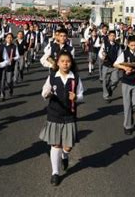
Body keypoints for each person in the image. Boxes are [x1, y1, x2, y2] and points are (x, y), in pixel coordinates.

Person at [39, 51, 84, 186]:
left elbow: (82, 95)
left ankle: (65, 155)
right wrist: (47, 94)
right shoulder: (52, 76)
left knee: (68, 146)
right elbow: (44, 93)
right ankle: (55, 173)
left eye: (68, 61)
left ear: (71, 63)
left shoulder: (75, 77)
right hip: (54, 114)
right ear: (57, 63)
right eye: (62, 61)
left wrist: (76, 97)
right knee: (55, 144)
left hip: (69, 115)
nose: (65, 63)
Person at [114, 35, 135, 135]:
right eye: (132, 45)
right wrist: (125, 68)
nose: (134, 47)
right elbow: (115, 64)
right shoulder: (125, 53)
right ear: (128, 45)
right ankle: (127, 126)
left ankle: (128, 116)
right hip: (126, 81)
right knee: (127, 105)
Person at [100, 30, 121, 102]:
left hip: (114, 66)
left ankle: (110, 89)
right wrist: (102, 56)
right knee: (104, 81)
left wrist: (119, 64)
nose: (112, 37)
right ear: (108, 36)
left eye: (114, 36)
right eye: (111, 35)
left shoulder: (118, 45)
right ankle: (106, 96)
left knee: (116, 80)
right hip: (106, 65)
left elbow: (120, 55)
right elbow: (101, 53)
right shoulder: (104, 44)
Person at [2, 33, 20, 98]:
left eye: (11, 37)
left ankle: (10, 89)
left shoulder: (14, 46)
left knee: (9, 81)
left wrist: (13, 58)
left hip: (10, 66)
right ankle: (2, 95)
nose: (9, 39)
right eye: (8, 37)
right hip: (3, 66)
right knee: (2, 82)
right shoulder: (2, 46)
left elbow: (18, 56)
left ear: (12, 39)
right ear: (5, 39)